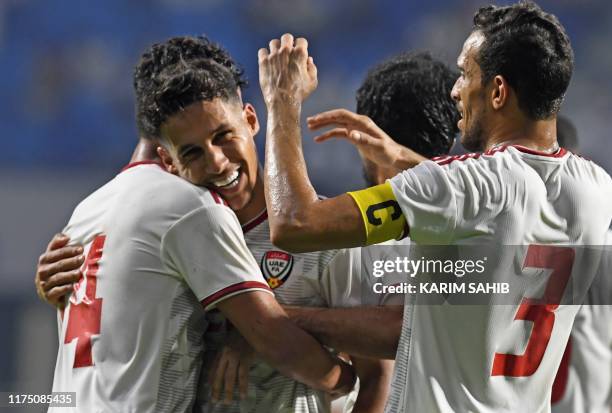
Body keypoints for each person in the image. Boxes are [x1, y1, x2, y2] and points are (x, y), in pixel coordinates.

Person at [257, 2, 612, 413]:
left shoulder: (460, 185)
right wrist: (404, 158)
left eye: (465, 74)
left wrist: (282, 102)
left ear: (498, 91)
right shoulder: (596, 189)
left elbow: (296, 224)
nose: (456, 89)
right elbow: (502, 205)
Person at [37, 36, 381, 413]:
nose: (217, 163)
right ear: (168, 154)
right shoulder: (179, 223)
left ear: (249, 119)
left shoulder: (325, 235)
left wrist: (274, 331)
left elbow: (376, 372)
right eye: (192, 150)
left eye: (223, 136)